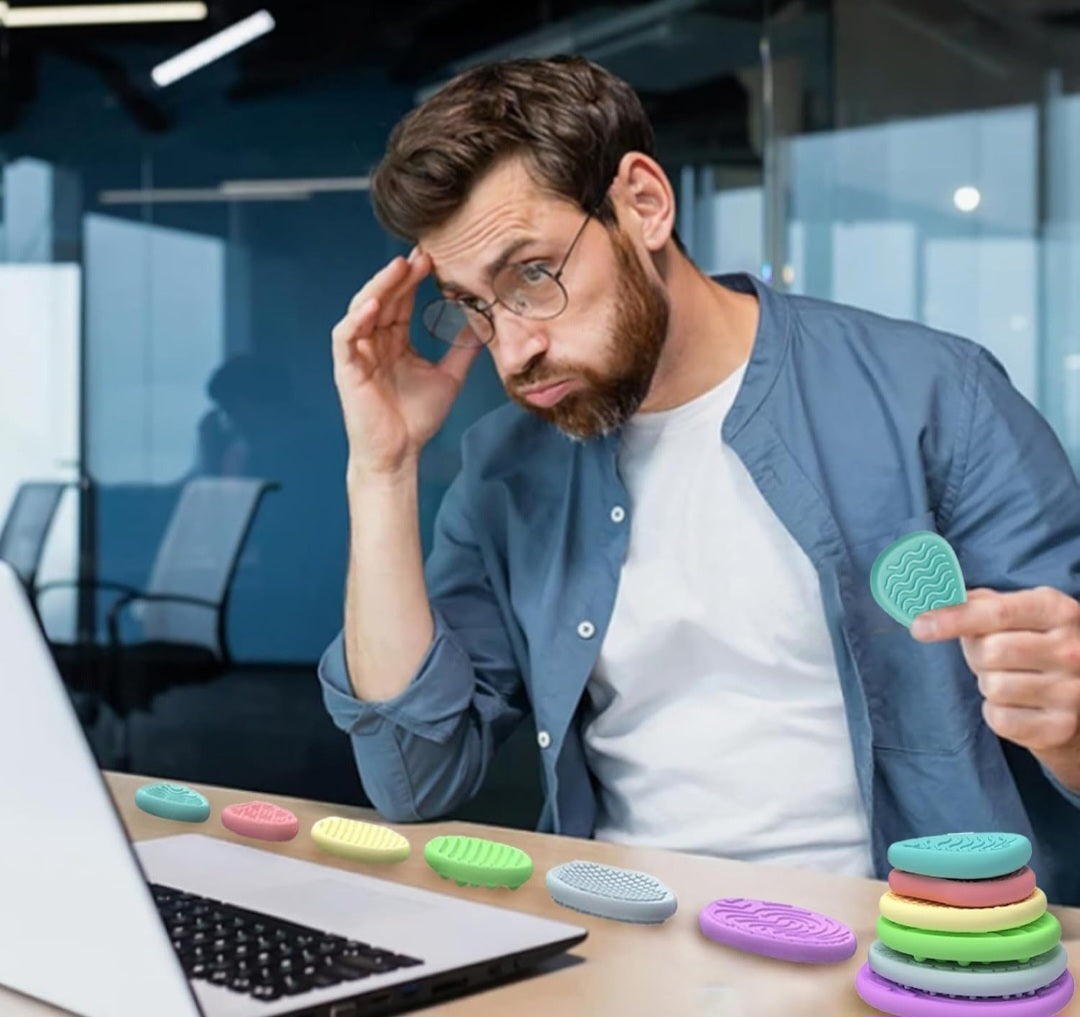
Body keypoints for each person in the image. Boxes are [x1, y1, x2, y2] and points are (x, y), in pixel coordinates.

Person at [318, 56, 1080, 904]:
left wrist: (1067, 723)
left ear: (643, 203)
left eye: (531, 274)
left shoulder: (938, 397)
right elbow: (413, 777)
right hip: (617, 941)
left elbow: (1067, 727)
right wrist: (381, 468)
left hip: (902, 955)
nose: (512, 350)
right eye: (474, 305)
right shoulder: (507, 469)